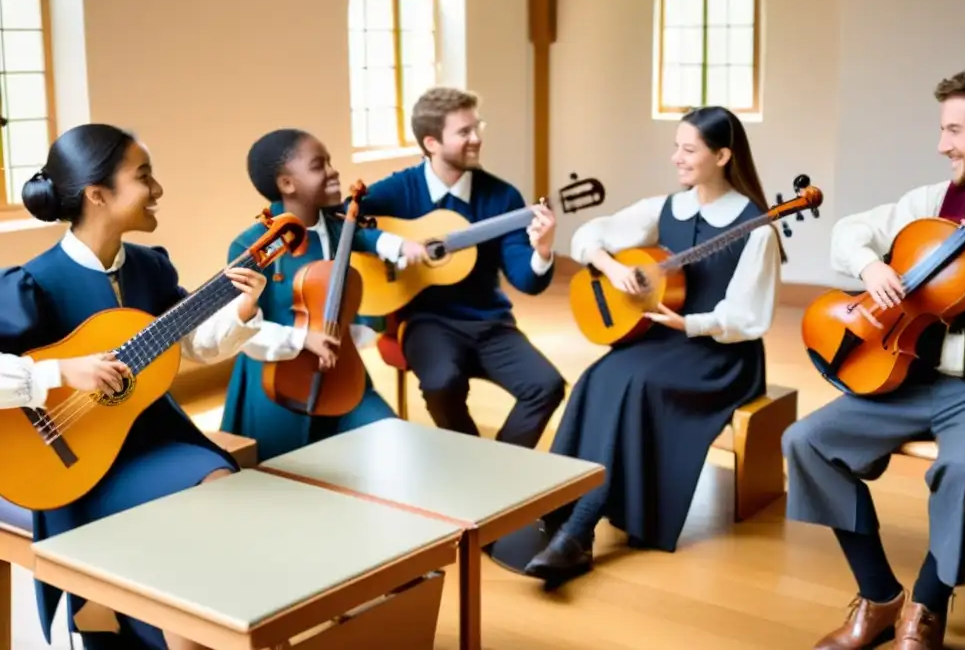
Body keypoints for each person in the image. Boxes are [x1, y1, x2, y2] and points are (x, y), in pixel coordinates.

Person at [782, 63, 965, 650]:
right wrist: (870, 266)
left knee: (964, 472)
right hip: (915, 377)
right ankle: (880, 597)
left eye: (953, 131)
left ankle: (927, 607)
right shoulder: (934, 200)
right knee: (806, 441)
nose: (941, 145)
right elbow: (848, 232)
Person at [0, 124, 269, 650]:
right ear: (98, 195)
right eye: (143, 176)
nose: (158, 190)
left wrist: (241, 310)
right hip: (70, 461)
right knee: (207, 501)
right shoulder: (31, 284)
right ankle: (157, 626)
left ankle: (136, 618)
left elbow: (190, 345)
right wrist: (57, 373)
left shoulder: (149, 267)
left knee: (222, 494)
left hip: (153, 436)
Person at [520, 105, 783, 581]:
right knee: (598, 376)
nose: (676, 158)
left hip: (721, 353)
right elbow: (588, 235)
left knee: (634, 384)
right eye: (676, 146)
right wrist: (612, 266)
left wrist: (689, 325)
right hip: (665, 336)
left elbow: (748, 316)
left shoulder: (756, 226)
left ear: (723, 155)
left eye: (688, 149)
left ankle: (579, 530)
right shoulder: (666, 208)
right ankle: (560, 507)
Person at [347, 86, 565, 448]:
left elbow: (526, 281)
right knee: (440, 382)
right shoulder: (400, 189)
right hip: (427, 322)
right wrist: (393, 244)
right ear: (431, 142)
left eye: (477, 127)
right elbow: (343, 219)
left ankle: (498, 462)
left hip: (490, 321)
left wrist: (542, 249)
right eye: (464, 132)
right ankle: (467, 454)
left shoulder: (502, 196)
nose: (477, 138)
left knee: (547, 386)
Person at [220, 128, 395, 461]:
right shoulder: (255, 245)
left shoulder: (336, 227)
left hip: (341, 372)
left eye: (329, 161)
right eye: (319, 165)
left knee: (387, 439)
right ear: (287, 184)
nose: (333, 171)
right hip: (279, 381)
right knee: (291, 474)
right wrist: (302, 338)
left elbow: (367, 248)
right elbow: (240, 329)